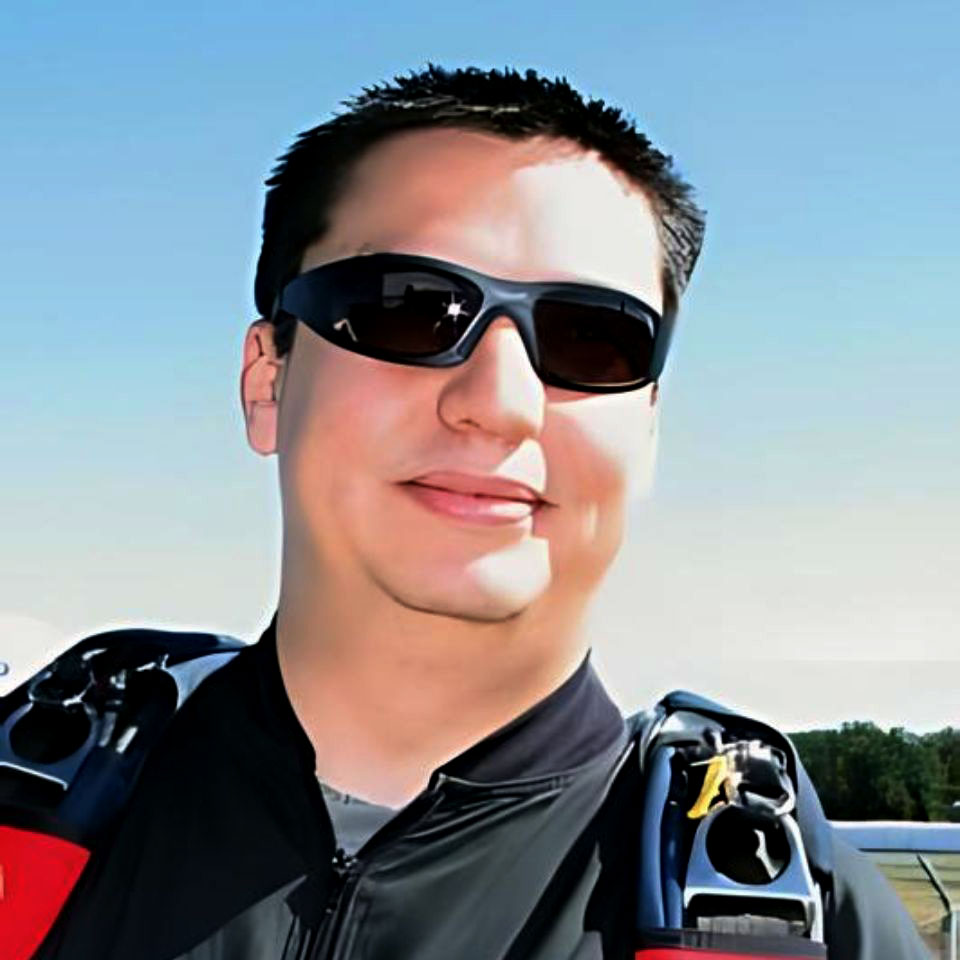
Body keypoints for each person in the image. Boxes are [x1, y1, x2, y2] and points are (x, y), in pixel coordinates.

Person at [34, 64, 928, 959]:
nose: (500, 402)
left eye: (592, 337)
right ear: (269, 381)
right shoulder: (34, 827)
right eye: (409, 309)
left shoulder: (797, 924)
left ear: (647, 427)